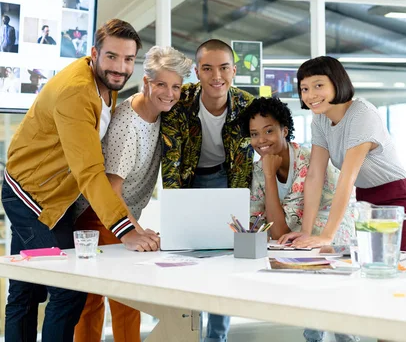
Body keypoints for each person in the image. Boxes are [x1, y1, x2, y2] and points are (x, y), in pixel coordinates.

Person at [1, 19, 160, 342]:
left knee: (26, 287)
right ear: (94, 54)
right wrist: (126, 230)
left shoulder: (106, 85)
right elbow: (90, 170)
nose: (120, 67)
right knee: (68, 287)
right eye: (112, 57)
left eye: (128, 59)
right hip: (31, 196)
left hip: (55, 195)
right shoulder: (76, 92)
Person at [74, 46, 192, 342]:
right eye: (162, 84)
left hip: (120, 214)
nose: (169, 93)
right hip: (99, 214)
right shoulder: (129, 120)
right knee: (101, 301)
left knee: (126, 300)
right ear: (146, 82)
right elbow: (112, 188)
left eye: (176, 86)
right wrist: (136, 232)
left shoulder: (162, 114)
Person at [278, 56, 406, 253]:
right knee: (369, 268)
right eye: (305, 89)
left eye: (318, 85)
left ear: (337, 83)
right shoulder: (320, 120)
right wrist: (306, 230)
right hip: (365, 203)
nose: (311, 95)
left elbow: (347, 177)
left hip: (396, 201)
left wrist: (327, 236)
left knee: (396, 269)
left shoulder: (362, 113)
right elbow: (314, 175)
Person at [161, 39, 254, 342]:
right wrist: (173, 209)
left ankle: (216, 337)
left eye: (224, 68)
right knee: (185, 258)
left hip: (229, 180)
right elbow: (171, 162)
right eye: (208, 68)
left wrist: (248, 210)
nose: (217, 76)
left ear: (234, 70)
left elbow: (255, 157)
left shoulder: (246, 105)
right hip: (189, 179)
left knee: (224, 261)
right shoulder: (181, 103)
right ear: (197, 72)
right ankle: (186, 333)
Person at [240, 97, 355, 243]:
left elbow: (279, 231)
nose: (261, 140)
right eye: (254, 134)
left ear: (285, 131)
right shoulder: (259, 168)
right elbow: (256, 221)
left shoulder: (305, 163)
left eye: (269, 131)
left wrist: (269, 176)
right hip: (295, 241)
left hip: (329, 236)